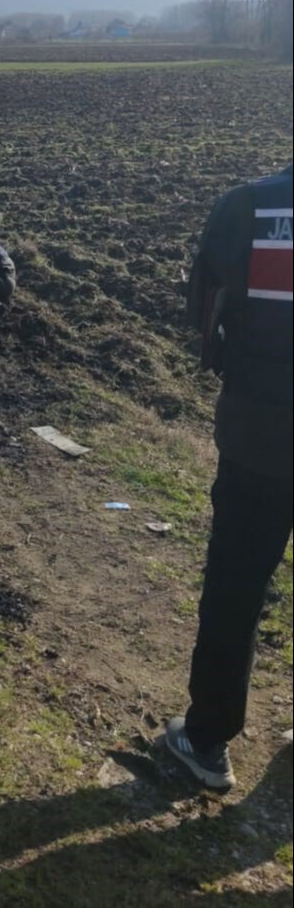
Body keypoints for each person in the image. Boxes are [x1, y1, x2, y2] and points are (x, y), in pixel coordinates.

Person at [164, 163, 292, 791]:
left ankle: (208, 740)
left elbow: (204, 312)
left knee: (237, 585)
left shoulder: (247, 208)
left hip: (261, 435)